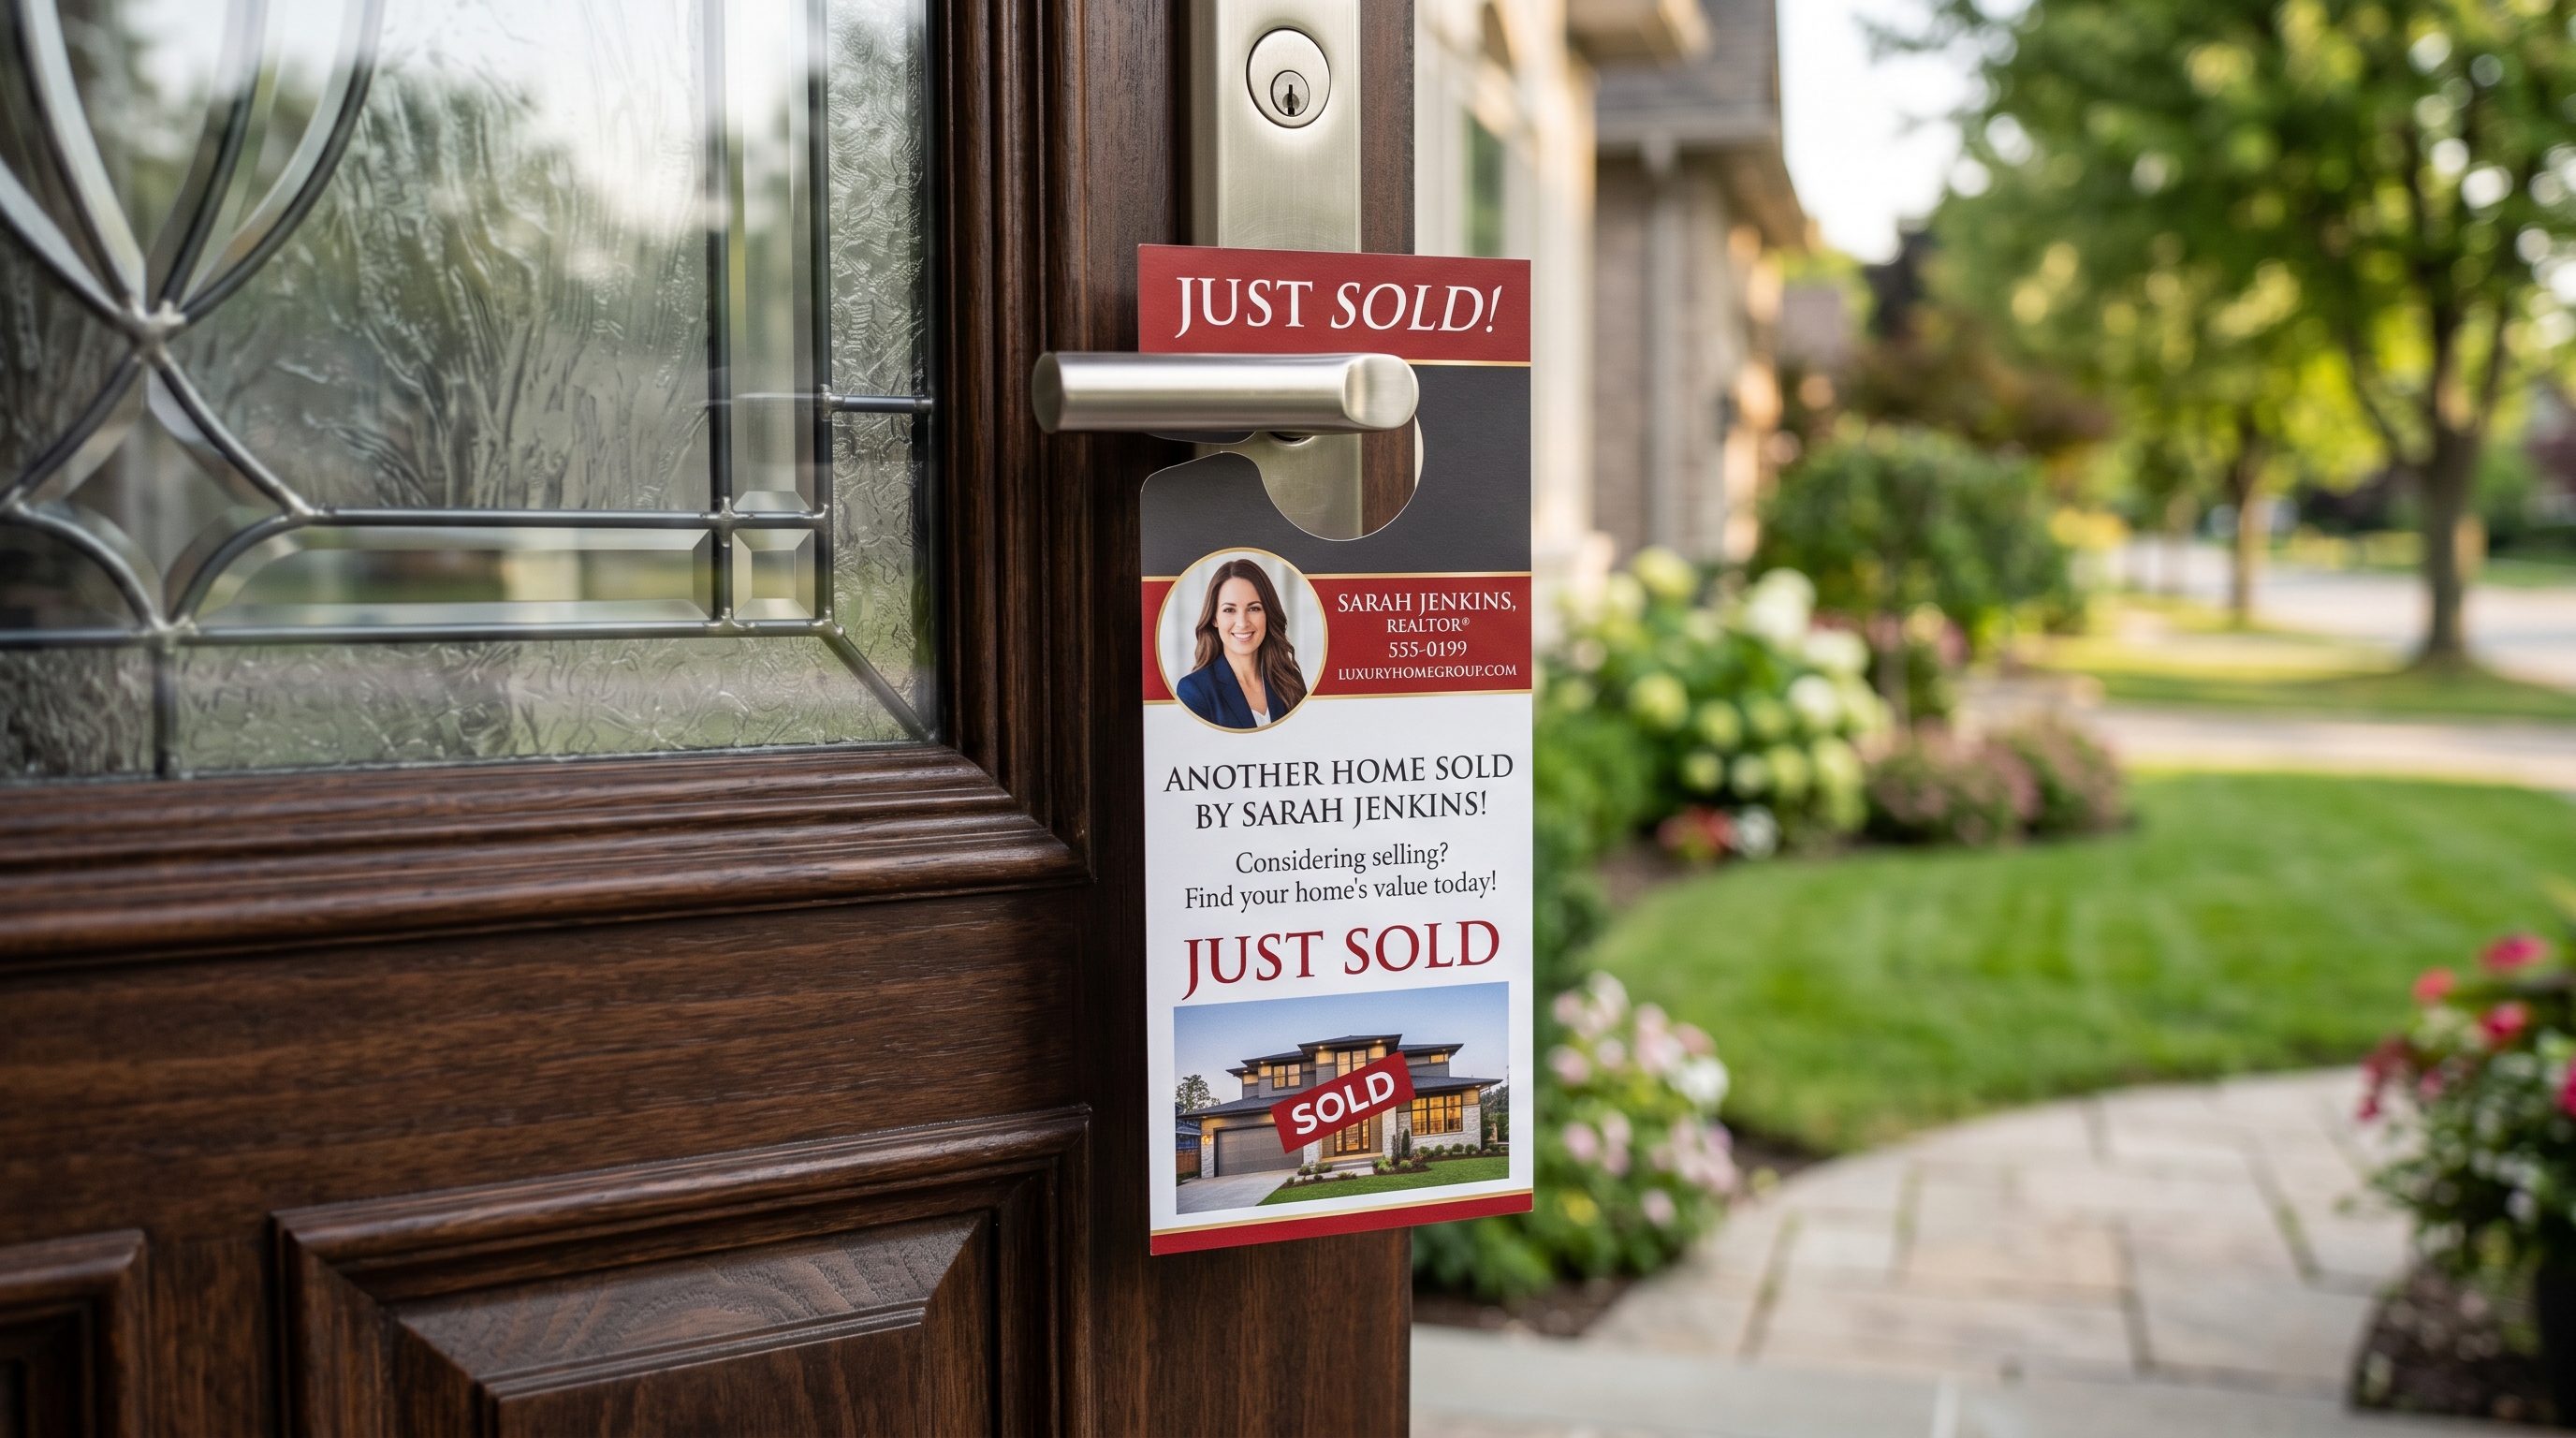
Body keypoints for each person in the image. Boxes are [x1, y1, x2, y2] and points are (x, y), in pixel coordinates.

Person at [1175, 558, 1309, 729]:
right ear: (1214, 618)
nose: (1242, 623)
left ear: (1267, 614)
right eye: (1229, 610)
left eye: (1254, 608)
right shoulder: (1194, 690)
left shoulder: (1290, 680)